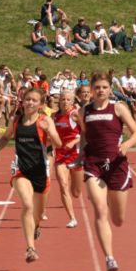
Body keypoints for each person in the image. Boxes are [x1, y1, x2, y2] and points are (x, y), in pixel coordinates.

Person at [77, 72, 136, 271]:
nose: (100, 90)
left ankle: (114, 228)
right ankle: (109, 258)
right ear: (91, 90)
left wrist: (127, 144)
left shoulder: (119, 108)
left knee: (118, 219)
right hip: (93, 164)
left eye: (104, 87)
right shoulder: (84, 111)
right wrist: (80, 156)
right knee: (100, 209)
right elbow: (84, 137)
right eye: (97, 87)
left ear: (109, 89)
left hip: (116, 165)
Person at [0, 88, 62, 262]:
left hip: (40, 172)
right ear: (22, 101)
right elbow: (6, 137)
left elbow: (58, 143)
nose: (29, 102)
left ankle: (36, 225)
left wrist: (49, 132)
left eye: (34, 100)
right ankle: (30, 249)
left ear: (41, 104)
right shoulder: (16, 120)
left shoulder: (45, 120)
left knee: (38, 212)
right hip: (21, 169)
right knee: (27, 205)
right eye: (27, 99)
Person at [52, 90, 83, 228]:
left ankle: (75, 191)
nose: (65, 102)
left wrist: (74, 141)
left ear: (72, 101)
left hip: (75, 155)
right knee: (63, 186)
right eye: (63, 99)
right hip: (60, 155)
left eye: (68, 100)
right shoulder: (54, 116)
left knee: (76, 192)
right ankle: (72, 218)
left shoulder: (75, 114)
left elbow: (87, 133)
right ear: (59, 101)